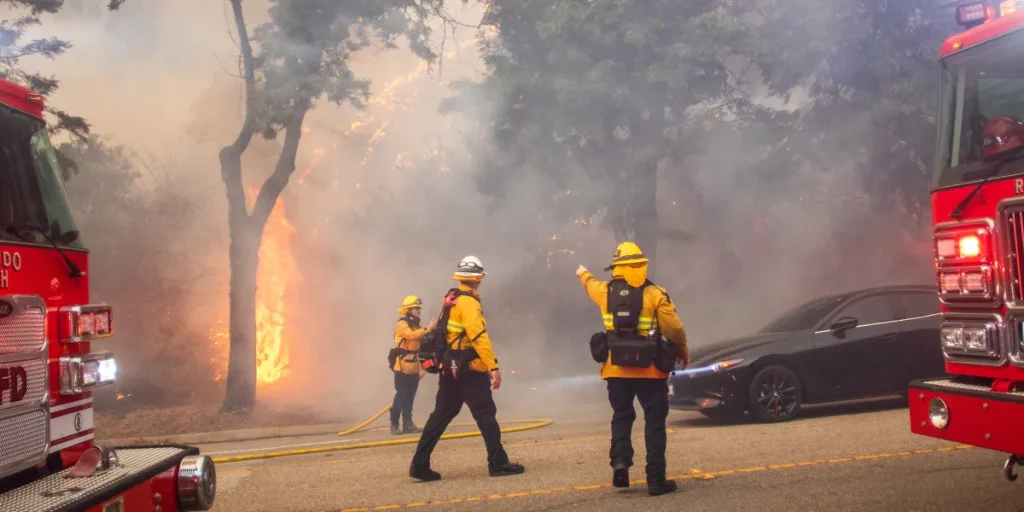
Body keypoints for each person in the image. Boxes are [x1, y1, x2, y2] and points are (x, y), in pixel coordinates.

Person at [575, 241, 690, 496]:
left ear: (616, 267)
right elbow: (674, 329)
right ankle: (656, 480)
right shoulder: (656, 293)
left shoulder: (604, 291)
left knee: (622, 416)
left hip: (616, 370)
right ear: (641, 265)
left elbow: (589, 284)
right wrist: (683, 350)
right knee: (655, 422)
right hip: (650, 371)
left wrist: (583, 272)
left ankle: (620, 463)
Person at [409, 255, 526, 481]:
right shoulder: (469, 302)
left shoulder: (451, 298)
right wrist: (493, 366)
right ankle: (498, 462)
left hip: (448, 368)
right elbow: (478, 336)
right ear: (478, 279)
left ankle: (419, 464)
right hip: (469, 370)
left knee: (441, 414)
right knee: (485, 413)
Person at [391, 295, 435, 435]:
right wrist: (428, 328)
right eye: (416, 308)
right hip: (402, 367)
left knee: (410, 397)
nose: (418, 310)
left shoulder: (418, 325)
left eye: (419, 308)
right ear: (408, 310)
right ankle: (394, 425)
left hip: (414, 366)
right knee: (401, 396)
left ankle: (408, 425)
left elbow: (422, 339)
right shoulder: (402, 324)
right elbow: (411, 336)